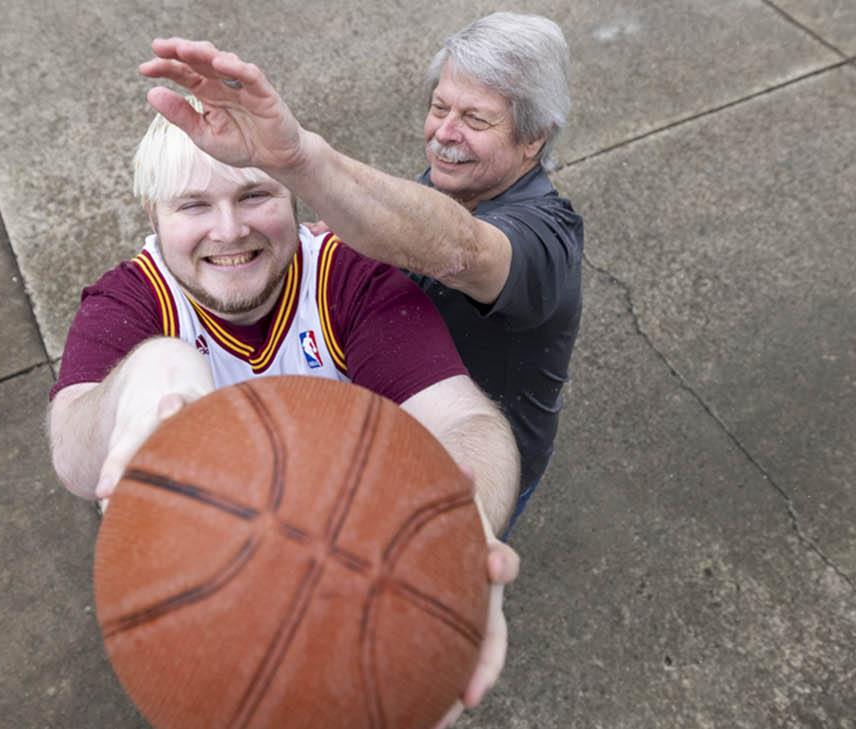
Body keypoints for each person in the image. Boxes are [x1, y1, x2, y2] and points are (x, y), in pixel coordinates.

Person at [138, 12, 582, 724]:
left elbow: (457, 248)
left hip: (479, 449)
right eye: (439, 106)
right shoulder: (443, 180)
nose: (444, 132)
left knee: (407, 615)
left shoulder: (544, 241)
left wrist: (298, 161)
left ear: (533, 139)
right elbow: (389, 226)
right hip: (399, 424)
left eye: (476, 119)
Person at [47, 102, 521, 729]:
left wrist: (448, 531)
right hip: (211, 583)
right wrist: (141, 378)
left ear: (292, 195)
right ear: (153, 216)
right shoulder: (131, 303)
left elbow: (465, 422)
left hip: (351, 565)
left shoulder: (348, 277)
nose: (229, 230)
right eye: (193, 206)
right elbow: (75, 456)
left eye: (253, 195)